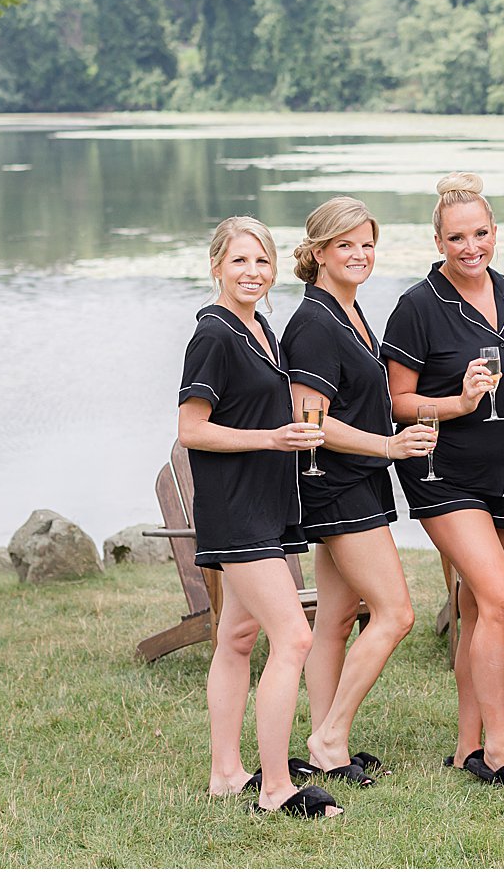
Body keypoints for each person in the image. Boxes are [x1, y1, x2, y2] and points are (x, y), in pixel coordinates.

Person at [382, 172, 504, 789]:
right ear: (437, 240)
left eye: (480, 233)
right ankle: (501, 750)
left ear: (495, 233)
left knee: (481, 607)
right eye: (457, 237)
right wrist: (455, 403)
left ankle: (464, 746)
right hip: (441, 471)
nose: (470, 246)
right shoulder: (417, 306)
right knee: (503, 597)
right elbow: (397, 401)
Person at [176, 216, 340, 818]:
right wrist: (272, 440)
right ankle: (275, 788)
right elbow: (192, 428)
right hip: (236, 510)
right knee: (294, 635)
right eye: (240, 261)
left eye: (262, 262)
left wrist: (284, 438)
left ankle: (226, 773)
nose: (252, 273)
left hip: (267, 506)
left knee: (237, 636)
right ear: (216, 264)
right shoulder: (214, 336)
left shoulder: (260, 327)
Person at [280, 197, 436, 790]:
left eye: (367, 244)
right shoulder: (317, 323)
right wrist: (389, 446)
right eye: (345, 244)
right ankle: (330, 734)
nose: (360, 255)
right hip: (338, 485)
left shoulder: (348, 310)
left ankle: (327, 746)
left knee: (338, 617)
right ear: (318, 252)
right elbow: (310, 419)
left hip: (355, 480)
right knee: (395, 613)